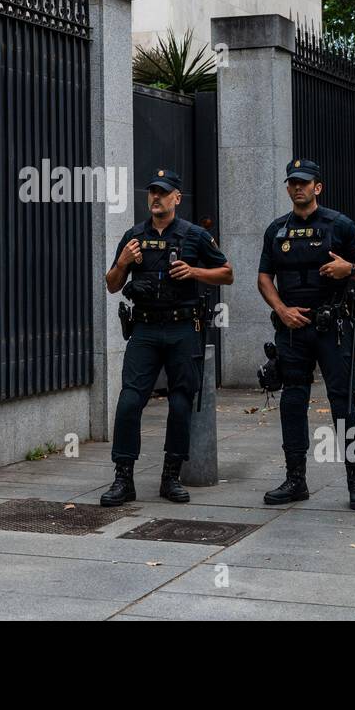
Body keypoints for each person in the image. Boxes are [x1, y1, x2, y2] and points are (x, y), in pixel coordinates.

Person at [101, 169, 233, 507]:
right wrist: (123, 261)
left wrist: (195, 272)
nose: (156, 197)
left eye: (164, 192)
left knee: (179, 403)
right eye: (152, 192)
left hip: (182, 328)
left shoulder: (194, 235)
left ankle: (170, 477)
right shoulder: (134, 236)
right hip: (144, 329)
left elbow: (227, 273)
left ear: (177, 197)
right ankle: (123, 478)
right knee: (130, 400)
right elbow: (113, 284)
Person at [258, 159, 355, 509]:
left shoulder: (339, 225)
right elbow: (264, 277)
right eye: (293, 183)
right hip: (292, 331)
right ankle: (296, 480)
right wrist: (282, 310)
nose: (299, 188)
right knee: (292, 402)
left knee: (344, 404)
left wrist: (348, 268)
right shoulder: (276, 230)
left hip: (332, 330)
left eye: (305, 182)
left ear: (317, 188)